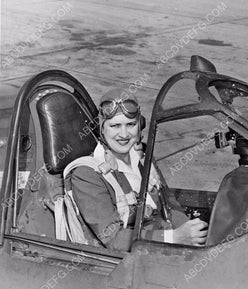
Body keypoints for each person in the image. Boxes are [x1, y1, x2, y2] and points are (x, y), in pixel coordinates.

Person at [65, 88, 208, 251]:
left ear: (140, 125)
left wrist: (191, 233)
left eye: (131, 124)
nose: (124, 134)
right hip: (128, 263)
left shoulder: (143, 159)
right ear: (100, 128)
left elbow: (168, 203)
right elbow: (113, 240)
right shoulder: (87, 174)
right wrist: (173, 237)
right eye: (115, 126)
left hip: (164, 247)